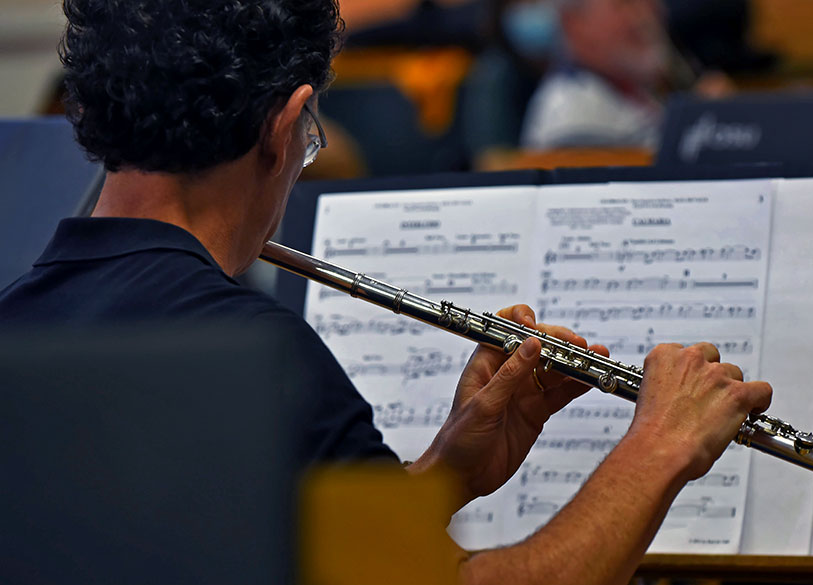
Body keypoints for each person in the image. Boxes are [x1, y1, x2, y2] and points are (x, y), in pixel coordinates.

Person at [0, 1, 772, 583]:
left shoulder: (18, 326)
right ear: (288, 123)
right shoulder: (251, 357)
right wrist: (658, 447)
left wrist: (443, 476)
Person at [520, 0, 733, 150]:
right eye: (626, 2)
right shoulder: (574, 113)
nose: (649, 13)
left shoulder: (636, 91)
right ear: (574, 24)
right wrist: (705, 129)